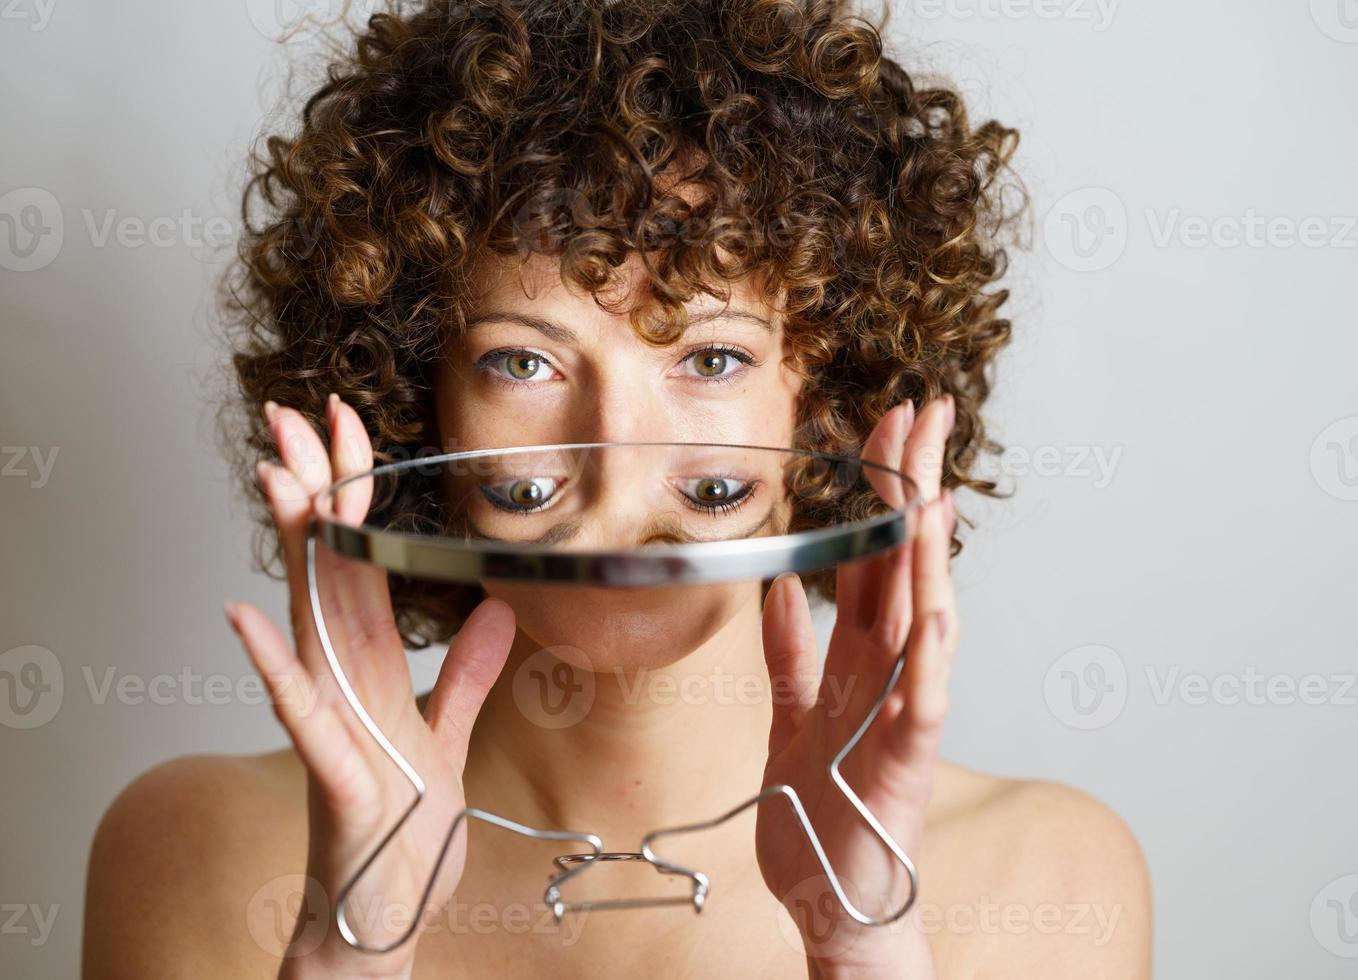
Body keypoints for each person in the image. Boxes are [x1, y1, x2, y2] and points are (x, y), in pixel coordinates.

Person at [84, 2, 1151, 976]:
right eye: (523, 361)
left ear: (822, 398)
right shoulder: (199, 849)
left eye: (715, 358)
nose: (618, 461)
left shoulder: (1051, 878)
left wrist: (861, 940)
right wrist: (346, 945)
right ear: (419, 402)